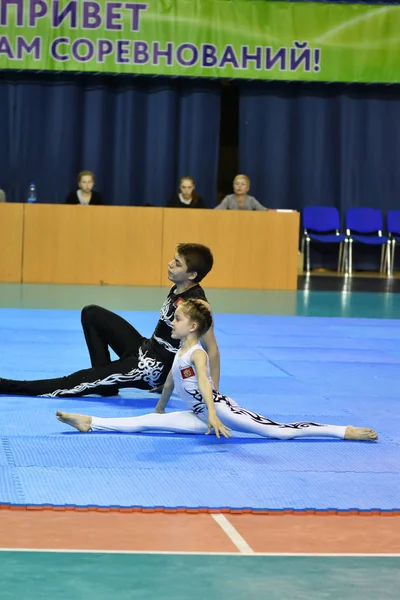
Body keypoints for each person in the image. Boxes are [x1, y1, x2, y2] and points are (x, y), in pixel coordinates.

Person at [57, 299, 378, 442]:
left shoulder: (197, 354)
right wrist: (159, 407)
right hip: (199, 416)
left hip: (220, 411)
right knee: (146, 423)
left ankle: (341, 430)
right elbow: (169, 380)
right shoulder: (180, 349)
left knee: (280, 432)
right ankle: (90, 423)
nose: (172, 322)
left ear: (193, 327)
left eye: (178, 319)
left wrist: (213, 415)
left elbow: (208, 389)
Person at [0, 244, 219, 397]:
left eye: (177, 263)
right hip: (144, 347)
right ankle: (105, 381)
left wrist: (214, 394)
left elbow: (212, 349)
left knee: (75, 381)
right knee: (92, 313)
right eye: (174, 258)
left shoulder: (198, 305)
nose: (170, 264)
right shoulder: (179, 286)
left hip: (149, 368)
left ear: (192, 275)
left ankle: (8, 386)